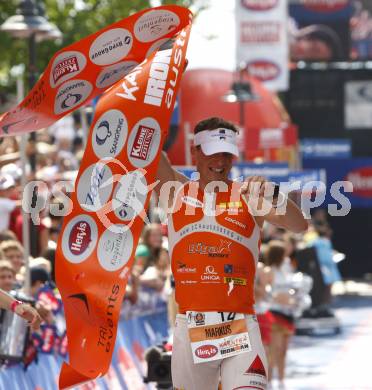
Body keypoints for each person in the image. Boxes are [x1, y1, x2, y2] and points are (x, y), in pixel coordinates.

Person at [154, 117, 308, 390]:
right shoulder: (175, 191)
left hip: (240, 325)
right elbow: (152, 153)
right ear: (195, 152)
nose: (221, 161)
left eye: (227, 153)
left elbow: (298, 226)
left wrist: (274, 193)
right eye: (213, 152)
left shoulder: (249, 196)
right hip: (191, 327)